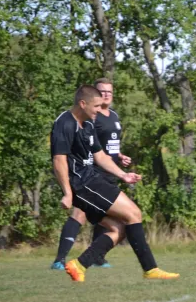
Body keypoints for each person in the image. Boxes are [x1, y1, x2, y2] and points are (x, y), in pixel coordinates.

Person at [50, 85, 179, 281]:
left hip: (92, 179)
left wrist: (123, 175)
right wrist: (67, 193)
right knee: (134, 213)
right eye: (96, 106)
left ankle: (79, 265)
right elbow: (59, 160)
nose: (98, 110)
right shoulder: (65, 123)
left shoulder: (89, 123)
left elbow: (100, 156)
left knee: (119, 229)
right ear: (83, 104)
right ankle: (150, 269)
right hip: (83, 184)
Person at [50, 78, 131, 270]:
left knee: (106, 218)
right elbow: (80, 151)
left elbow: (105, 148)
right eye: (102, 92)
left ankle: (96, 256)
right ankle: (60, 259)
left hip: (109, 170)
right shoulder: (90, 117)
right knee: (80, 213)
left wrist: (119, 157)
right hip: (91, 173)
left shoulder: (113, 116)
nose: (105, 95)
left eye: (109, 92)